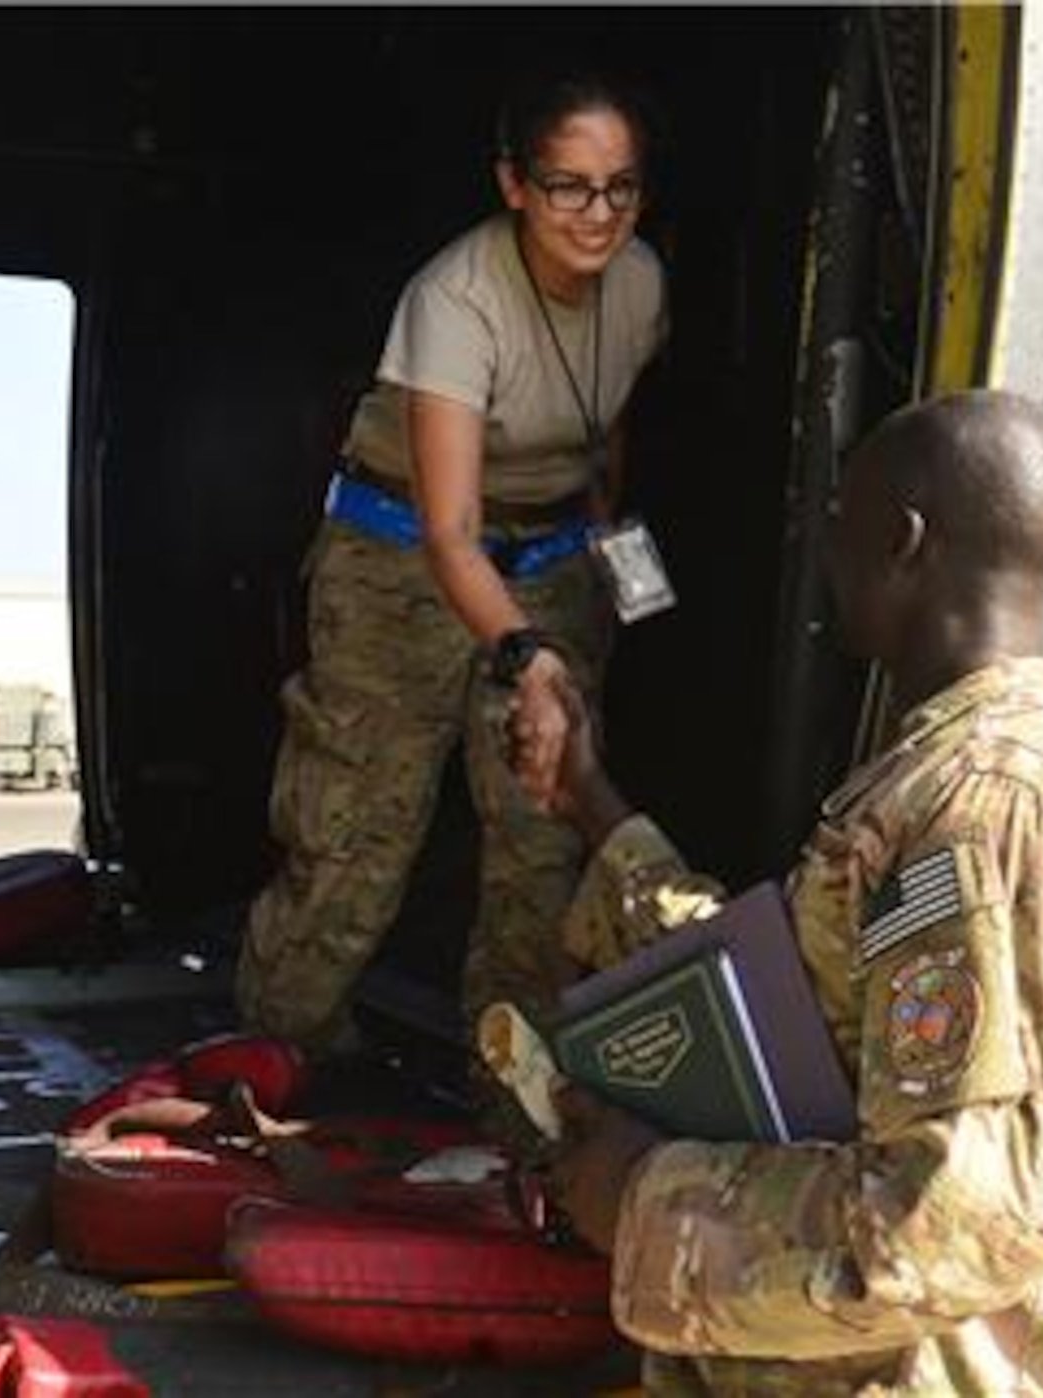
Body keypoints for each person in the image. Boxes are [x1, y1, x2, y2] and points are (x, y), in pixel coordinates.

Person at [517, 390, 1043, 1394]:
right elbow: (798, 1010)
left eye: (839, 524)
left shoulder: (993, 813)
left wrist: (644, 1194)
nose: (825, 552)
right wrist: (594, 809)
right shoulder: (944, 782)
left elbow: (963, 1214)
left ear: (900, 540)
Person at [233, 70, 670, 1059]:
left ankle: (516, 1096)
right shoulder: (454, 300)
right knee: (359, 825)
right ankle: (270, 1055)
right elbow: (449, 532)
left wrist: (612, 564)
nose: (595, 214)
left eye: (620, 187)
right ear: (514, 184)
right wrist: (530, 659)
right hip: (402, 557)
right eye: (567, 186)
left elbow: (607, 433)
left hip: (547, 549)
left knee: (544, 835)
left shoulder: (639, 283)